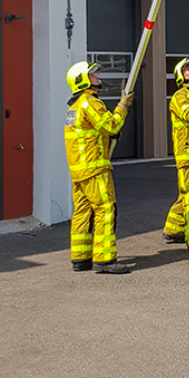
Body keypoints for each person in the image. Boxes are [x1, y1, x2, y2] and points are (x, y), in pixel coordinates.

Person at [65, 61, 134, 274]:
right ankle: (104, 260)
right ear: (82, 80)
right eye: (92, 74)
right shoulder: (89, 102)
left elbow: (96, 131)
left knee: (83, 212)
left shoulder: (74, 107)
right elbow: (110, 125)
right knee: (105, 210)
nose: (97, 76)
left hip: (79, 170)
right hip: (94, 169)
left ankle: (80, 258)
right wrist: (123, 106)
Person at [163, 58, 189, 245]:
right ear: (180, 76)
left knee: (186, 194)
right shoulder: (180, 96)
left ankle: (173, 228)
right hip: (187, 153)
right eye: (186, 70)